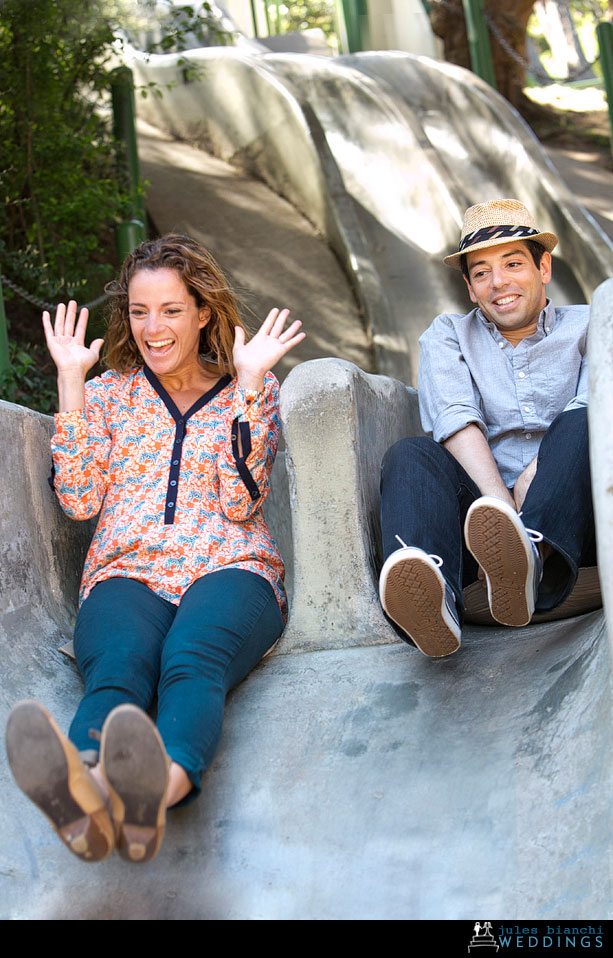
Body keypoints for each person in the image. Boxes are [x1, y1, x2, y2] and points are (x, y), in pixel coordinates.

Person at [6, 233, 305, 863]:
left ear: (202, 312)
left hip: (232, 567)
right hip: (126, 572)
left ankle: (153, 795)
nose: (153, 327)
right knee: (118, 665)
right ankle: (85, 791)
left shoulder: (251, 387)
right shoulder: (111, 393)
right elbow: (80, 500)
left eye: (170, 310)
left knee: (190, 660)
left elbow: (240, 502)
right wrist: (70, 382)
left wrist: (250, 385)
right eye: (140, 312)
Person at [378, 198, 595, 658]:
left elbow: (594, 404)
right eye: (481, 273)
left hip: (578, 519)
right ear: (470, 288)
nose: (498, 283)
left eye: (513, 263)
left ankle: (534, 558)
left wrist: (536, 480)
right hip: (486, 528)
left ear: (544, 269)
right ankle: (436, 597)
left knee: (587, 419)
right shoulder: (448, 334)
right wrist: (500, 508)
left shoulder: (591, 323)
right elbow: (454, 416)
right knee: (411, 454)